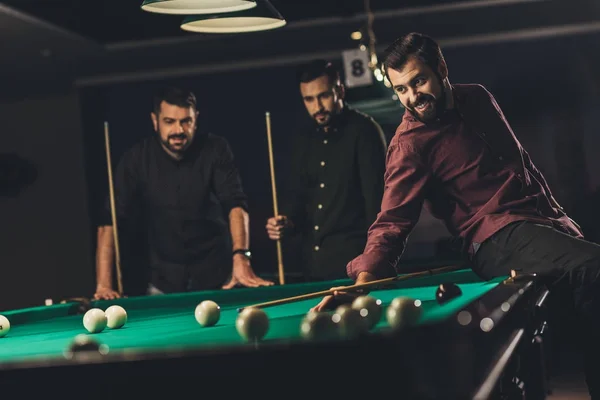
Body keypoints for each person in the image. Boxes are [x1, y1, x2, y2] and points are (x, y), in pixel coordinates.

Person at [311, 32, 600, 397]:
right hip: (494, 238)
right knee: (596, 266)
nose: (413, 97)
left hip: (539, 226)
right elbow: (392, 222)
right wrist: (363, 285)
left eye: (419, 81)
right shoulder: (408, 144)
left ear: (441, 68)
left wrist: (563, 225)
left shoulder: (478, 97)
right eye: (401, 89)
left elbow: (522, 168)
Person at [94, 86, 272, 300]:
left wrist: (241, 257)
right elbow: (110, 221)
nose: (178, 130)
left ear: (196, 118)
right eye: (169, 122)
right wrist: (104, 285)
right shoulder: (136, 160)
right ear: (155, 121)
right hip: (163, 281)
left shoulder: (215, 149)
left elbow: (235, 204)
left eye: (185, 121)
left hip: (217, 276)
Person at [265, 59, 387, 281]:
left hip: (355, 268)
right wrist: (285, 223)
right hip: (313, 268)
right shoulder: (303, 139)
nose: (317, 107)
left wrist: (372, 265)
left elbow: (377, 208)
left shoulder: (364, 131)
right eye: (309, 99)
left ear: (339, 91)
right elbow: (298, 200)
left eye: (324, 96)